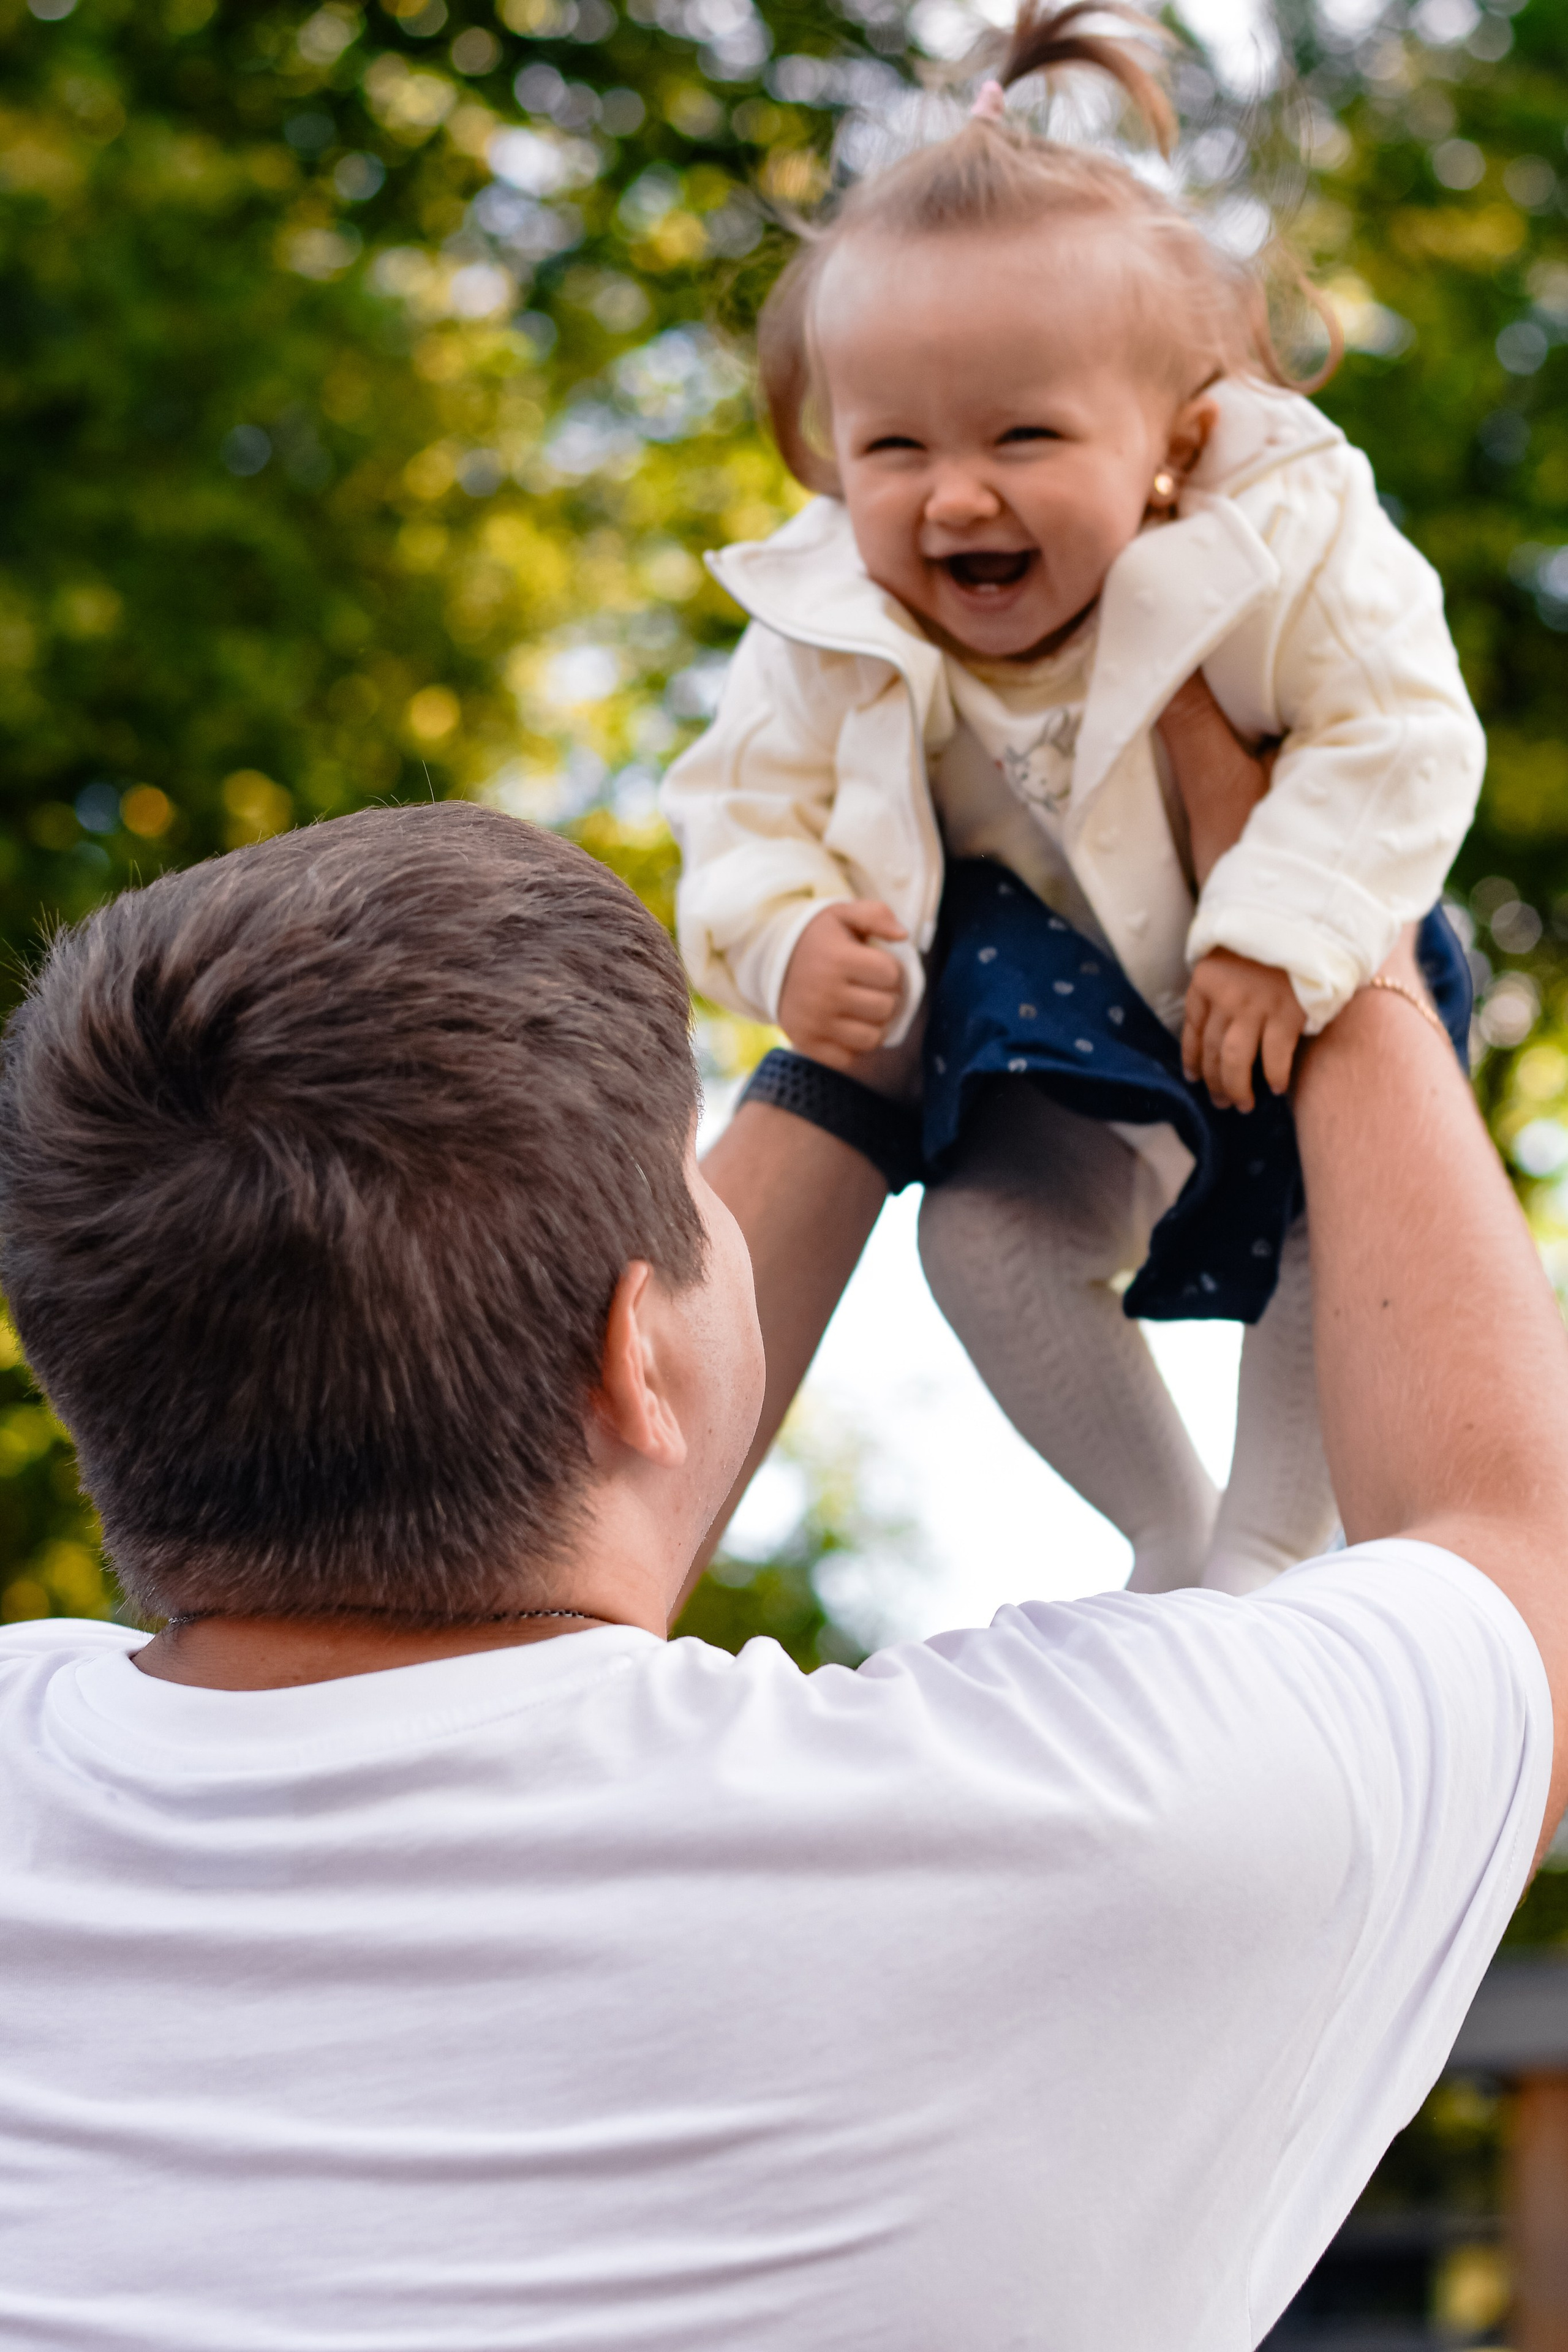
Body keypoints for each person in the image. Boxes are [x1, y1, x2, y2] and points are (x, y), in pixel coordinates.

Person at [0, 796, 1564, 2352]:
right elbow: (1520, 1558)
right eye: (692, 1189)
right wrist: (1317, 882)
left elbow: (512, 1628)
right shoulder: (1088, 1832)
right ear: (635, 1348)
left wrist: (842, 1072)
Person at [662, 1, 1484, 1594]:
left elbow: (1397, 730)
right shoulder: (830, 620)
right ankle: (1169, 1529)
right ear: (829, 461)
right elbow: (740, 812)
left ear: (1172, 447)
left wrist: (1281, 925)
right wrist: (783, 942)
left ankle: (1268, 1539)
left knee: (1350, 1248)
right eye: (892, 446)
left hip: (1298, 964)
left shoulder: (1276, 529)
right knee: (977, 1238)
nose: (954, 494)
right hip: (1052, 1013)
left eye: (1024, 436)